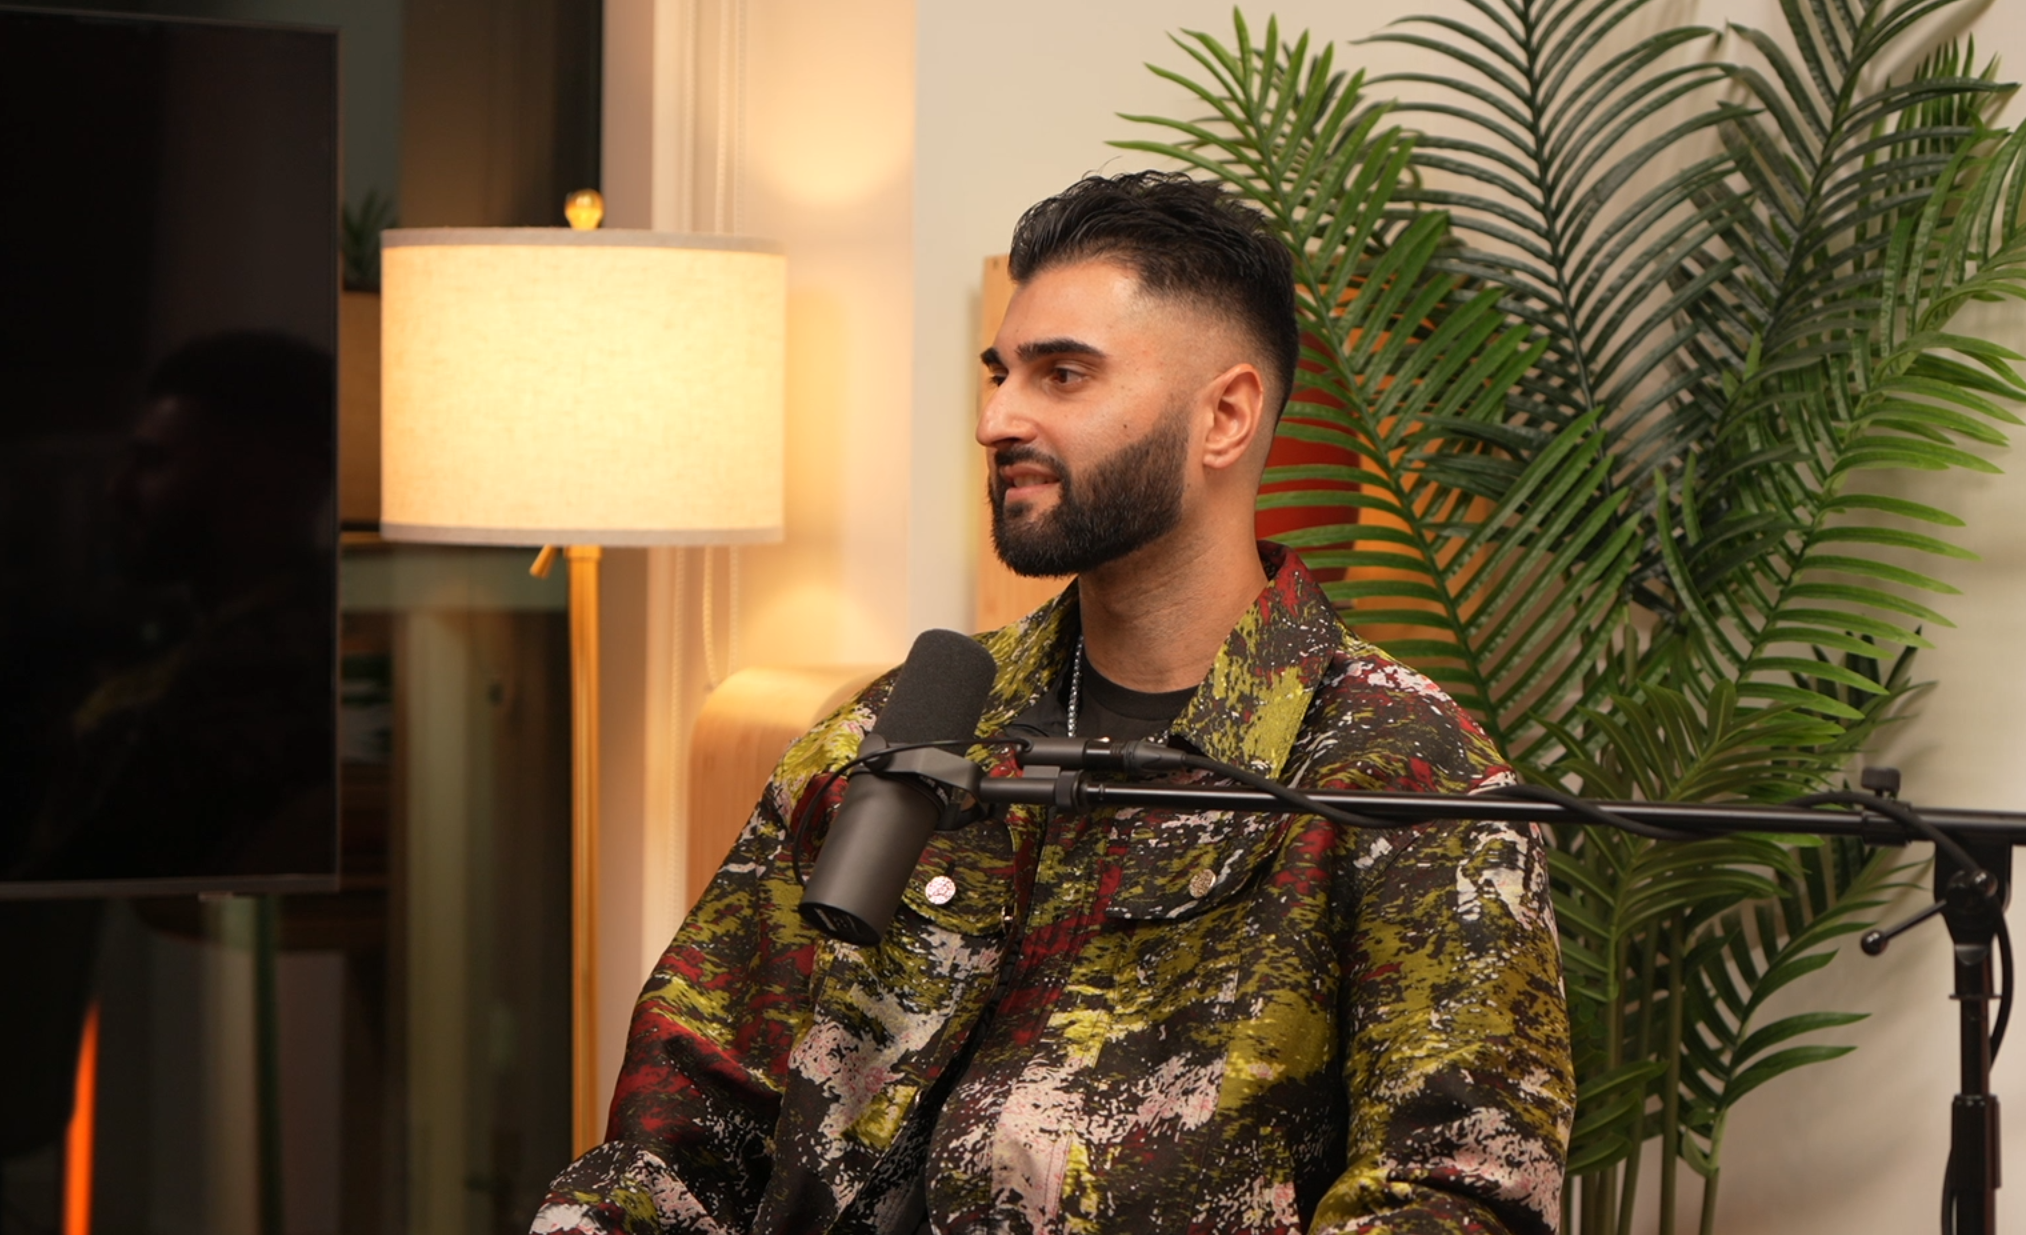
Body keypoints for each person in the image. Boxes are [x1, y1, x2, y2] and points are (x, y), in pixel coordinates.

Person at [534, 172, 1573, 1235]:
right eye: (1001, 375)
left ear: (1225, 415)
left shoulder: (1403, 776)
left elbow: (1457, 1200)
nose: (996, 419)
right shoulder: (899, 729)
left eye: (1062, 374)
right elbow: (679, 1129)